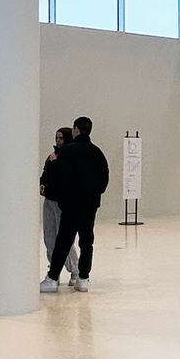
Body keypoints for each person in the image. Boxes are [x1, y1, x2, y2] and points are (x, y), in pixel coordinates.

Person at [43, 116, 108, 293]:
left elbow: (59, 178)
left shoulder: (68, 151)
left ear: (76, 129)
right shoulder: (98, 153)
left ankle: (52, 278)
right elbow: (104, 181)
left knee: (63, 241)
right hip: (91, 204)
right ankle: (83, 278)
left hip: (71, 204)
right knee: (86, 241)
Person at [39, 127, 70, 253]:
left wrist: (55, 163)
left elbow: (63, 176)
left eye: (61, 138)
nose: (58, 141)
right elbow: (45, 174)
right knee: (49, 238)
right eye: (56, 138)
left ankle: (73, 265)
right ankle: (53, 263)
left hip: (62, 202)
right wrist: (42, 184)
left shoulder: (69, 157)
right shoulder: (51, 156)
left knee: (63, 239)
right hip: (49, 199)